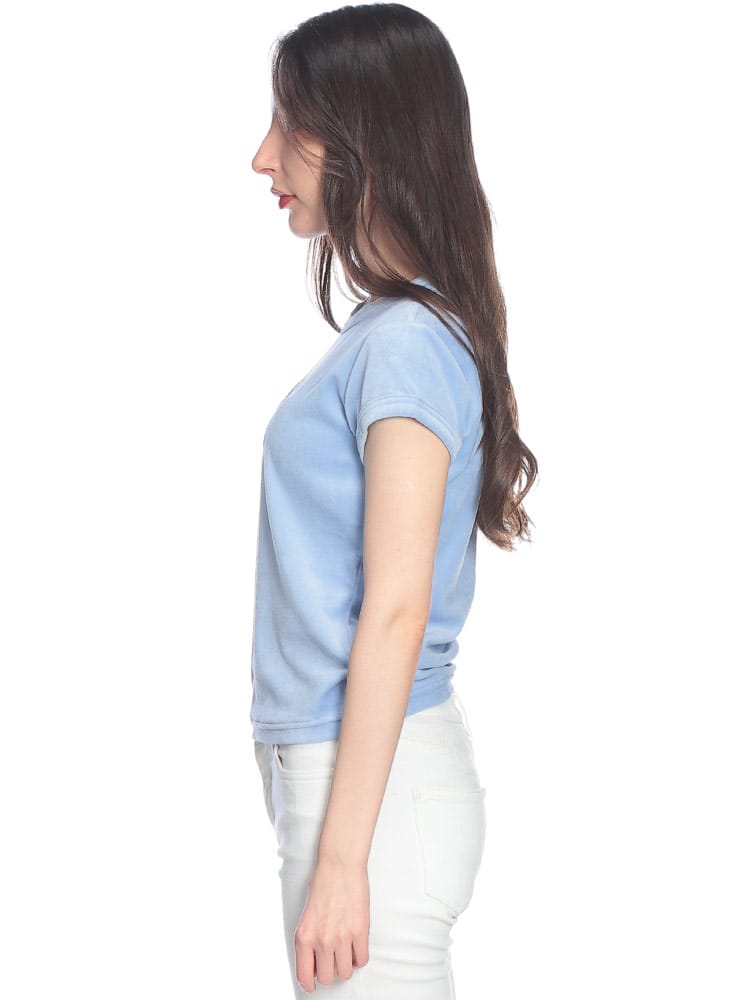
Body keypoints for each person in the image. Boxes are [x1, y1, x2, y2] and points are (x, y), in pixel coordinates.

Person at [249, 4, 537, 996]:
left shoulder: (408, 343)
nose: (262, 156)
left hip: (373, 794)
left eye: (289, 124)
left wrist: (342, 860)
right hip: (371, 784)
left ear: (360, 140)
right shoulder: (399, 332)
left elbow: (399, 605)